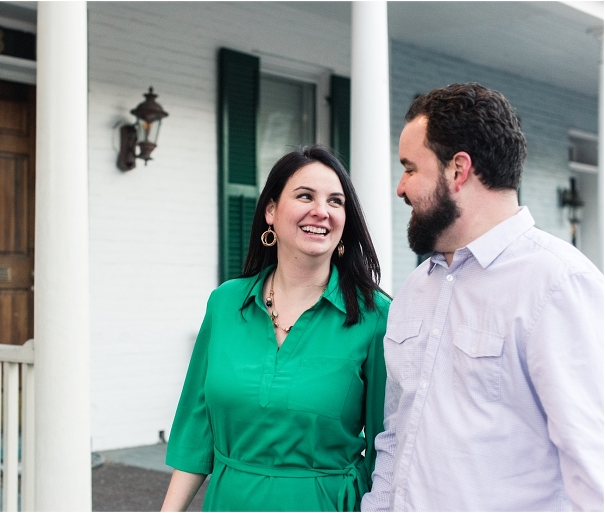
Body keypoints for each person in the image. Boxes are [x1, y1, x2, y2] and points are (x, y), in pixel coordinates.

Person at [361, 83, 604, 511]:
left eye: (410, 168)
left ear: (459, 170)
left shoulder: (558, 284)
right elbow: (396, 436)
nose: (400, 188)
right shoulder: (416, 289)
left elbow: (593, 465)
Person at [161, 145, 390, 512]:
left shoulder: (375, 316)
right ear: (271, 210)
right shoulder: (225, 304)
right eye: (305, 196)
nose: (321, 211)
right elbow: (196, 428)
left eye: (335, 201)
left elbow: (388, 446)